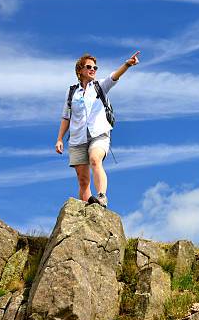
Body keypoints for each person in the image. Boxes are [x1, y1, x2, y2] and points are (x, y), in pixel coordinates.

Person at [55, 51, 140, 207]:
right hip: (77, 139)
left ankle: (101, 197)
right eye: (89, 67)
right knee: (83, 180)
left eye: (95, 67)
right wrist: (60, 139)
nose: (93, 69)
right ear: (80, 70)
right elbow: (66, 117)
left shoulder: (100, 86)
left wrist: (127, 64)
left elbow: (114, 76)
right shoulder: (72, 92)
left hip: (99, 134)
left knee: (95, 159)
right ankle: (86, 210)